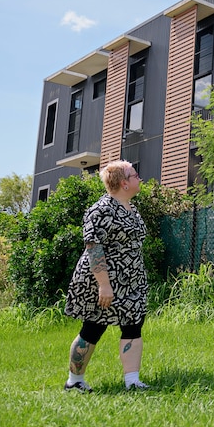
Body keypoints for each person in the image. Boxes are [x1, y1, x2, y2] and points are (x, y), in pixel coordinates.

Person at [63, 160, 150, 393]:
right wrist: (104, 285)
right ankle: (74, 381)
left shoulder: (131, 208)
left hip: (130, 281)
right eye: (135, 175)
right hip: (103, 281)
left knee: (133, 325)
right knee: (93, 328)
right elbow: (94, 247)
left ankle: (132, 381)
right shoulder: (101, 209)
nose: (139, 178)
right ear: (124, 183)